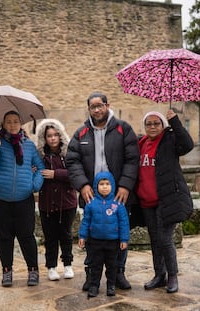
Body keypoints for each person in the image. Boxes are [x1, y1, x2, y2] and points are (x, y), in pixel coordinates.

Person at [66, 91, 139, 291]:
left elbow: (133, 159)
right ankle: (91, 275)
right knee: (91, 236)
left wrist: (125, 185)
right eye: (93, 107)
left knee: (119, 235)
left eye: (100, 105)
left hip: (118, 195)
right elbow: (72, 161)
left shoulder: (123, 129)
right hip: (91, 196)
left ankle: (119, 273)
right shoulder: (81, 133)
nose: (97, 110)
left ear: (107, 105)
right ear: (88, 109)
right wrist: (82, 185)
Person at [0, 110, 44, 287]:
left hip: (24, 199)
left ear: (21, 124)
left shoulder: (28, 145)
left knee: (27, 236)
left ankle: (33, 270)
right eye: (9, 122)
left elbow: (40, 167)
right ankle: (6, 271)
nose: (13, 125)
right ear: (3, 124)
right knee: (4, 237)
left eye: (16, 121)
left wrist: (34, 185)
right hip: (0, 199)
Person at [136, 110, 194, 294]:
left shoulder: (169, 140)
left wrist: (174, 121)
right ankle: (158, 275)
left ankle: (172, 275)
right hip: (146, 200)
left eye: (156, 123)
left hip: (166, 198)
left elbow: (187, 145)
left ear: (162, 125)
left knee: (165, 239)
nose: (152, 127)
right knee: (155, 239)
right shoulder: (142, 143)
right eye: (149, 124)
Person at [35, 118, 78, 281]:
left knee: (66, 235)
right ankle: (51, 267)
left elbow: (75, 174)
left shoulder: (69, 153)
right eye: (49, 136)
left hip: (67, 202)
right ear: (44, 138)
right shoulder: (40, 156)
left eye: (55, 135)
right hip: (47, 203)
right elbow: (35, 171)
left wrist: (56, 174)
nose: (52, 138)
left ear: (60, 136)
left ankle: (68, 264)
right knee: (50, 236)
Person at [78, 171, 130, 298]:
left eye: (107, 184)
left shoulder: (118, 204)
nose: (105, 186)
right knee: (96, 265)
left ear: (112, 185)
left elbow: (124, 222)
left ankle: (111, 285)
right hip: (96, 241)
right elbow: (86, 221)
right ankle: (94, 285)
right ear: (96, 186)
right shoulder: (91, 204)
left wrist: (124, 239)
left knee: (112, 265)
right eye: (101, 184)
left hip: (113, 241)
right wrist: (82, 236)